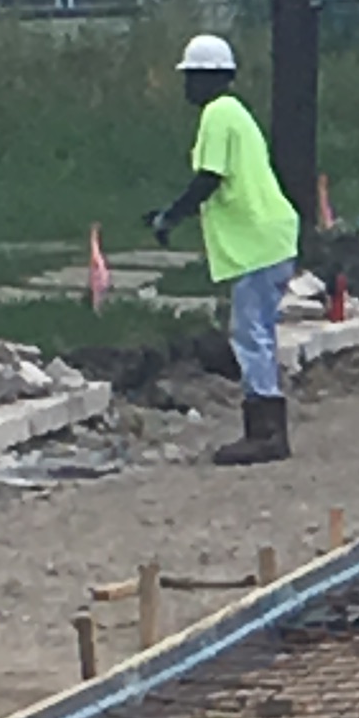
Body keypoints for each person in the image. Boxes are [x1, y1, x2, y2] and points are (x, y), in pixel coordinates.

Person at [144, 33, 302, 467]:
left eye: (190, 77)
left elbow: (208, 178)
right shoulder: (235, 113)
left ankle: (266, 431)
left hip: (257, 242)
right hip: (272, 237)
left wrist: (170, 217)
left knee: (249, 333)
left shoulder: (217, 115)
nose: (186, 87)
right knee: (260, 332)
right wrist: (172, 210)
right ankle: (269, 425)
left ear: (207, 77)